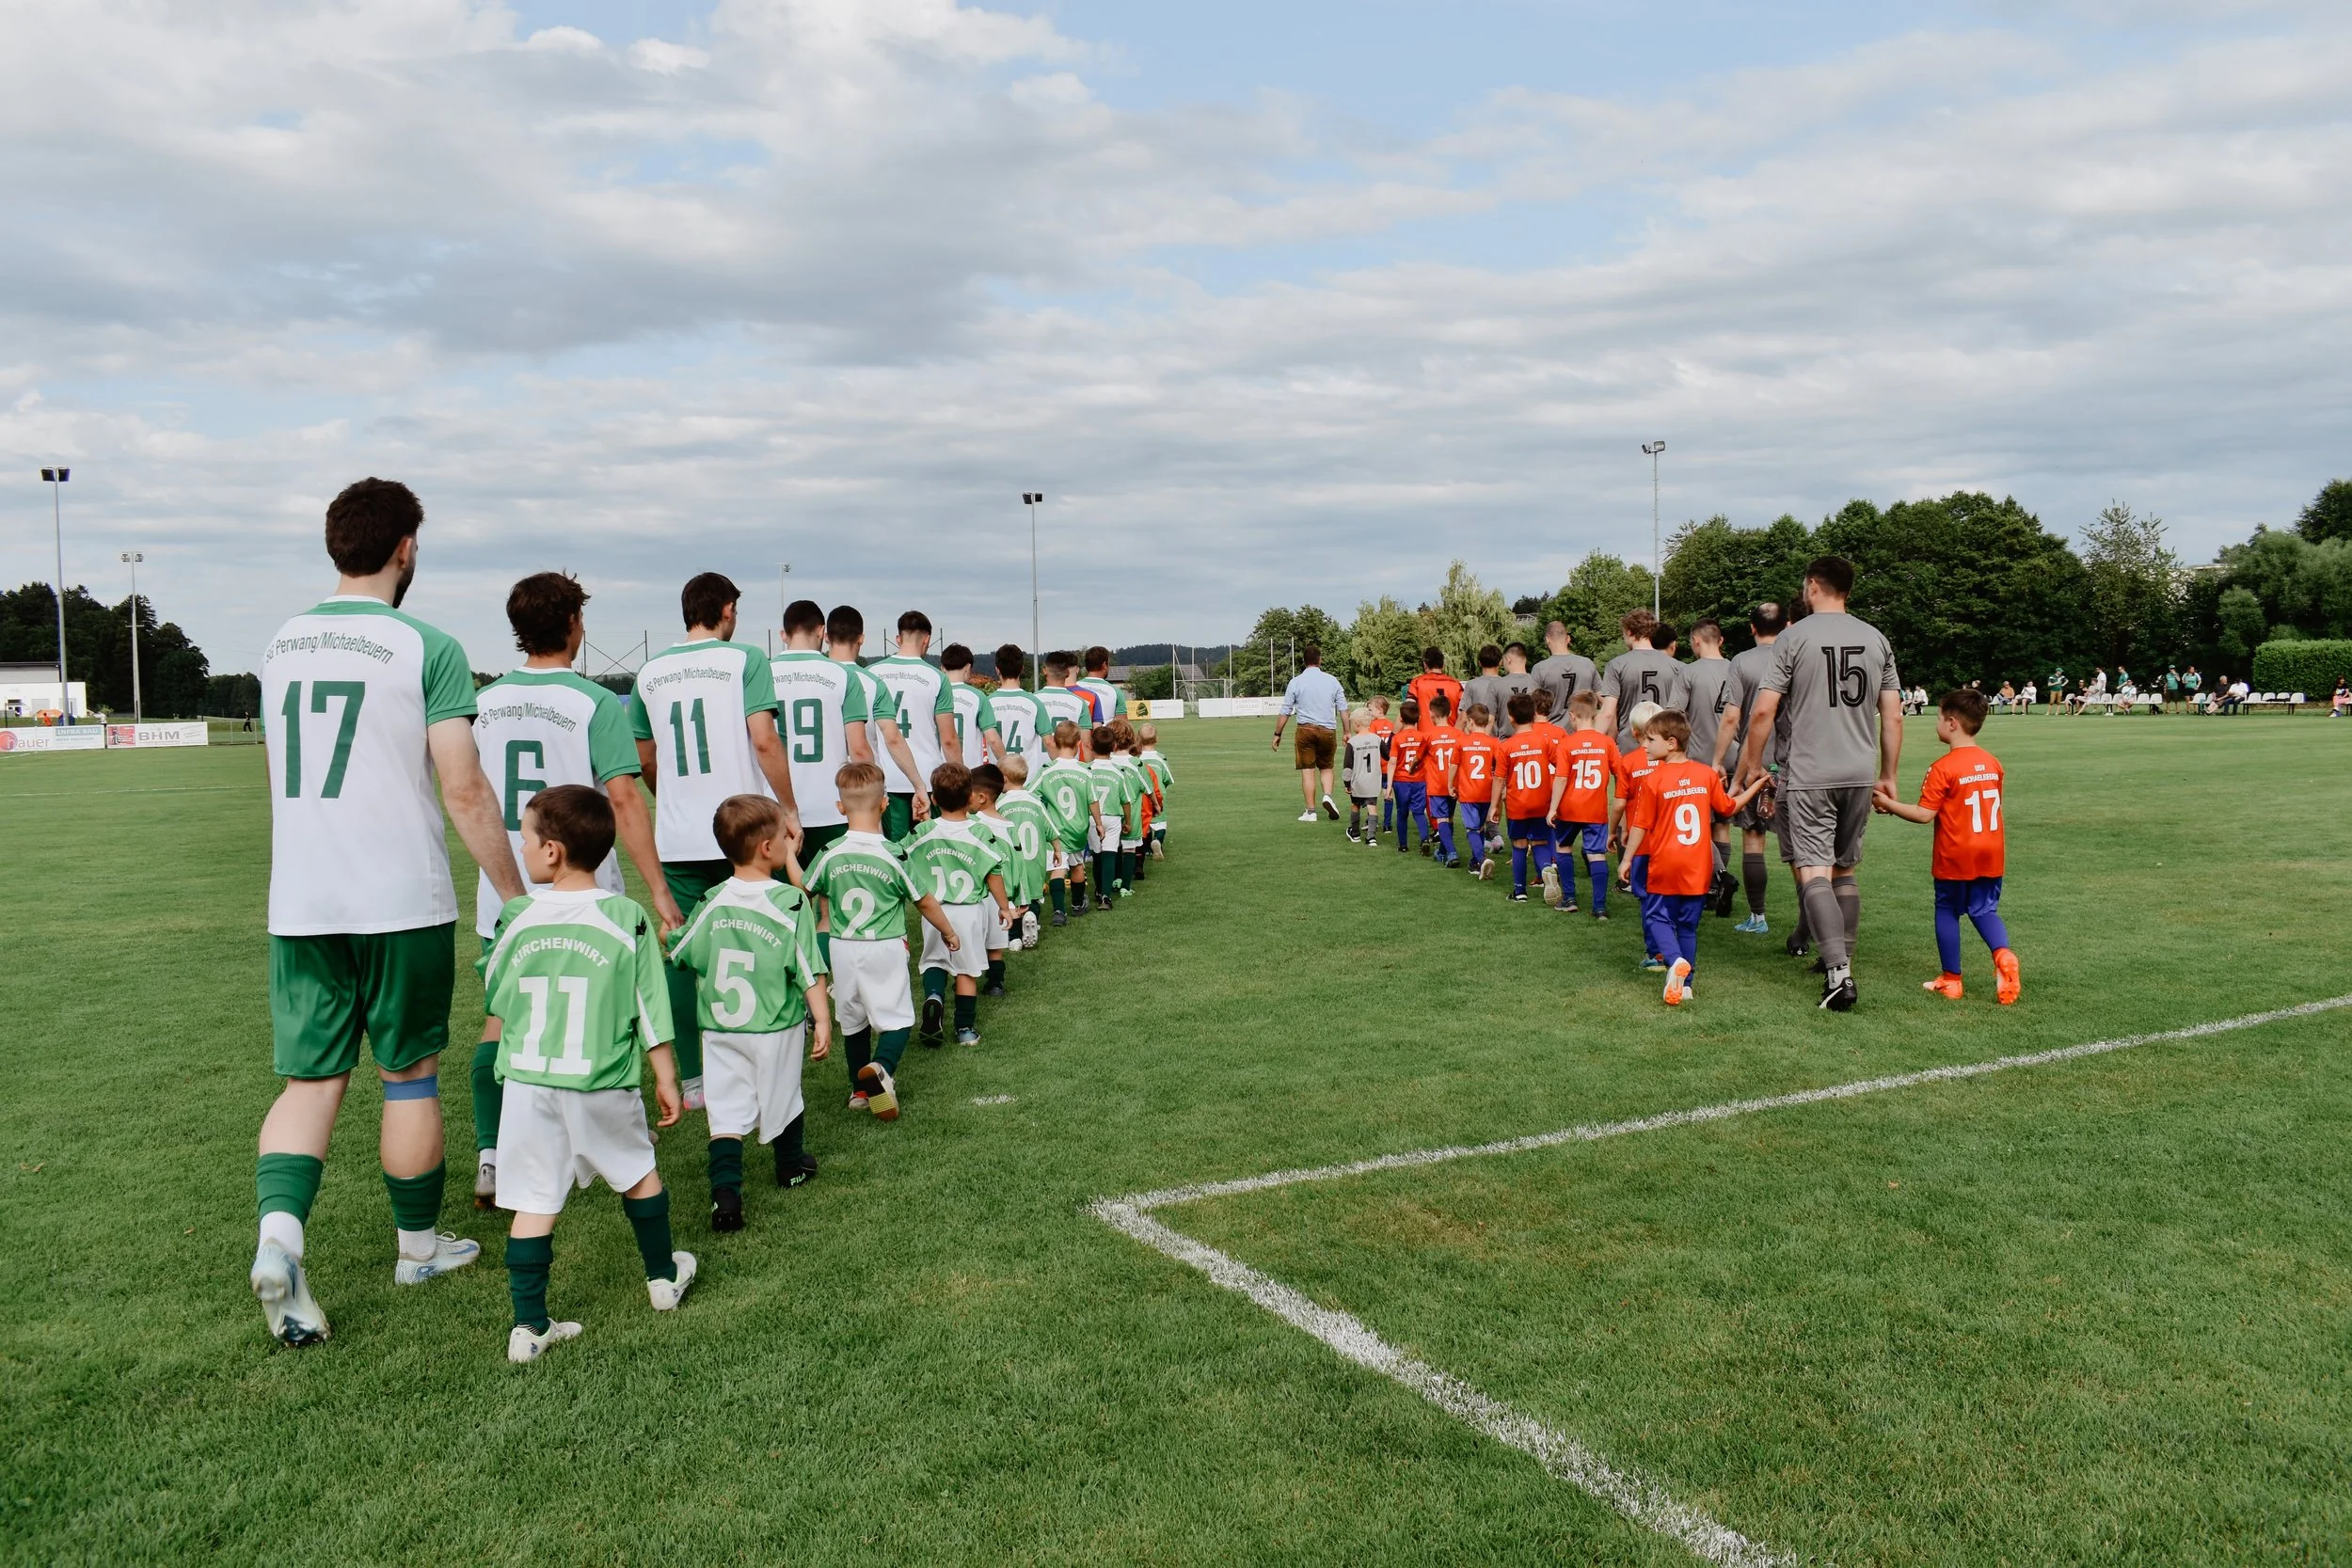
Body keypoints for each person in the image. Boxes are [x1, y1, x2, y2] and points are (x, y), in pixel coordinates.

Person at [250, 477, 525, 1348]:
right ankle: (416, 1247)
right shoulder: (427, 645)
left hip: (301, 898)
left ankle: (281, 1238)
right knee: (407, 1073)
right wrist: (515, 894)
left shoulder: (282, 641)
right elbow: (464, 784)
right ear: (406, 547)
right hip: (397, 897)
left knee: (310, 1080)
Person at [467, 572, 679, 1210]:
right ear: (573, 627)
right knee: (604, 1019)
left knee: (505, 1022)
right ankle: (616, 1151)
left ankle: (492, 1153)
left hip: (507, 888)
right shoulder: (589, 701)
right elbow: (623, 798)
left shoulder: (487, 699)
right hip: (586, 894)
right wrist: (660, 890)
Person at [478, 785, 691, 1363]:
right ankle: (662, 1279)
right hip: (599, 1077)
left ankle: (528, 1327)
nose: (519, 849)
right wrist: (667, 1077)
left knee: (534, 1197)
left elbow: (494, 984)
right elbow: (649, 1003)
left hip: (527, 1080)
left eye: (523, 838)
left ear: (552, 852)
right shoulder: (624, 918)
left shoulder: (517, 917)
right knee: (638, 1171)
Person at [1739, 556, 1902, 1011]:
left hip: (1810, 771)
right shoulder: (1876, 638)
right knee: (1845, 870)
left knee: (1814, 869)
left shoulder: (1793, 637)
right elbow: (1892, 715)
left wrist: (1753, 765)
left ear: (1813, 586)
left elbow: (1762, 712)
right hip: (1858, 770)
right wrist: (1887, 774)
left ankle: (1838, 974)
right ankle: (1839, 957)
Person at [664, 794, 830, 1231]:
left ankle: (726, 1198)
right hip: (774, 1025)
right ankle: (790, 1167)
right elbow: (808, 966)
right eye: (782, 836)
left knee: (725, 1112)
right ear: (767, 848)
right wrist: (823, 1018)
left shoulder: (713, 900)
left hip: (720, 1028)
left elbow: (681, 951)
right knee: (785, 1094)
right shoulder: (790, 903)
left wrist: (670, 933)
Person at [801, 762, 958, 1120]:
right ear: (885, 803)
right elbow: (924, 900)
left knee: (853, 1021)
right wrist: (948, 932)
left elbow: (803, 893)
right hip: (883, 946)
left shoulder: (829, 853)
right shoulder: (893, 853)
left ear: (840, 807)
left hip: (842, 947)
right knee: (899, 1019)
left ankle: (858, 1092)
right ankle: (882, 1068)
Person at [1872, 689, 2019, 1005]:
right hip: (1991, 851)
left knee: (1948, 909)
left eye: (1938, 718)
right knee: (1985, 909)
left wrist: (1888, 803)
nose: (1936, 723)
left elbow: (1925, 815)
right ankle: (2003, 955)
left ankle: (1951, 980)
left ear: (1952, 723)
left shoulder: (1944, 767)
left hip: (1956, 853)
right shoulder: (1992, 763)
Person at [1619, 712, 1765, 1005]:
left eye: (1650, 740)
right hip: (1699, 865)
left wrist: (1626, 859)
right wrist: (1755, 787)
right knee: (1687, 926)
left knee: (1657, 916)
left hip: (1666, 861)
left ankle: (1674, 961)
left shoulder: (1653, 779)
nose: (1645, 746)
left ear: (1671, 743)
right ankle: (1686, 985)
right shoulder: (1705, 775)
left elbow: (1640, 824)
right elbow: (1729, 808)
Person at [771, 599, 896, 871]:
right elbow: (860, 750)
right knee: (836, 893)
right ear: (821, 632)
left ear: (783, 634)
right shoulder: (842, 675)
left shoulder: (763, 674)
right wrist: (873, 799)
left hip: (774, 805)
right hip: (830, 804)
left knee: (783, 900)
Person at [907, 763, 1014, 1047]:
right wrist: (1004, 907)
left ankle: (934, 998)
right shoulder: (979, 833)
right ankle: (965, 1029)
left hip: (934, 911)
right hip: (969, 912)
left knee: (934, 962)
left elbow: (901, 855)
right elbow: (994, 872)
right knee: (966, 970)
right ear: (970, 798)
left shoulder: (924, 832)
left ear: (934, 799)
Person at [1708, 602, 1785, 936]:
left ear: (1752, 628)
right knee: (1809, 850)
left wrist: (1717, 761)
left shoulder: (1742, 662)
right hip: (1800, 760)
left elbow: (1731, 717)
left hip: (1756, 761)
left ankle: (1758, 916)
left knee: (1754, 838)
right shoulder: (1800, 655)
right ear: (1786, 626)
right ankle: (1811, 927)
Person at [869, 611, 960, 842]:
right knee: (931, 851)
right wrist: (959, 781)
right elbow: (948, 739)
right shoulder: (937, 678)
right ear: (927, 640)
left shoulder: (872, 674)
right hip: (928, 779)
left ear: (898, 639)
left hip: (887, 779)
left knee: (895, 854)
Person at [1679, 618, 1739, 913]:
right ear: (1722, 641)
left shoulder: (1688, 671)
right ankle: (1719, 885)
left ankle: (1717, 882)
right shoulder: (1736, 669)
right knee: (1723, 825)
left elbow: (1675, 716)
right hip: (1733, 754)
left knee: (1700, 826)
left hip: (1701, 758)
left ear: (1696, 641)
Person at [1552, 690, 1619, 918]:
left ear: (1572, 716)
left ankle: (1569, 898)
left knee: (1563, 847)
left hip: (1569, 807)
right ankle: (1599, 907)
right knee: (1596, 854)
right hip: (1595, 808)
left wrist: (1553, 808)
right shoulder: (1607, 742)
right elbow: (1620, 772)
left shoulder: (1567, 743)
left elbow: (1561, 778)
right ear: (1594, 715)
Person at [1270, 643, 1348, 821]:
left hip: (1305, 730)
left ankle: (1311, 812)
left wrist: (1277, 733)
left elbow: (1286, 710)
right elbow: (1343, 708)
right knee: (1327, 767)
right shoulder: (1332, 680)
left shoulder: (1296, 682)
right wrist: (1347, 731)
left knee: (1308, 770)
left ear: (1304, 662)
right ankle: (1327, 795)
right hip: (1328, 729)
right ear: (1320, 660)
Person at [1495, 692, 1560, 904]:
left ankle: (1520, 891)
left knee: (1519, 845)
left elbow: (1499, 779)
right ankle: (1546, 871)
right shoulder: (1544, 742)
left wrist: (1494, 806)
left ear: (1511, 717)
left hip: (1517, 805)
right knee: (1540, 842)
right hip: (1541, 802)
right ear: (1534, 715)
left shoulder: (1506, 746)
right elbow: (1561, 767)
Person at [1034, 721, 1101, 924]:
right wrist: (1098, 823)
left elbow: (1031, 794)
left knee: (1058, 868)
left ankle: (1059, 912)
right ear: (1079, 742)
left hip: (1055, 829)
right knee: (1077, 866)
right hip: (1079, 828)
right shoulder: (1085, 770)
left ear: (1054, 741)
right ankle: (1078, 904)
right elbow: (1093, 800)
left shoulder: (1046, 770)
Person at [984, 755, 1054, 947]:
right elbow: (1051, 830)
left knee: (1010, 896)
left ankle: (1014, 937)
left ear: (1003, 779)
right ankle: (1032, 915)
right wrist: (1056, 849)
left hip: (1010, 859)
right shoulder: (1036, 801)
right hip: (1035, 859)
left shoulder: (1000, 804)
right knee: (1034, 894)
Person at [1597, 610, 1692, 749]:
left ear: (1629, 632)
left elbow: (1608, 713)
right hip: (1665, 746)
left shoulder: (1617, 665)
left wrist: (1596, 742)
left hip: (1630, 744)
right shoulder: (1678, 667)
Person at [968, 762, 1030, 972]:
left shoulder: (971, 822)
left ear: (981, 797)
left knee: (972, 941)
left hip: (975, 893)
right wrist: (1022, 897)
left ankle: (968, 979)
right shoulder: (1009, 826)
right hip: (1001, 897)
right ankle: (996, 983)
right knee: (995, 946)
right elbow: (1019, 863)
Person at [1087, 722, 1144, 905]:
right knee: (1110, 854)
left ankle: (1098, 890)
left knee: (1097, 855)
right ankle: (1106, 897)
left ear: (1091, 746)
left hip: (1092, 818)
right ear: (1113, 747)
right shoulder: (1118, 772)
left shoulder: (1086, 770)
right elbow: (1126, 801)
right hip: (1112, 817)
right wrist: (1128, 821)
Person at [1453, 705, 1503, 878]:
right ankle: (1475, 863)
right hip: (1487, 792)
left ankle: (1482, 859)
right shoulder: (1494, 742)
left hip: (1468, 792)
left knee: (1472, 829)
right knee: (1480, 827)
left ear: (1470, 721)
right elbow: (1500, 768)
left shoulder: (1461, 741)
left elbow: (1454, 765)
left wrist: (1449, 784)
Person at [989, 646, 1053, 778]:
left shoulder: (987, 702)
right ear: (1022, 669)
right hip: (1027, 780)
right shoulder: (1034, 702)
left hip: (997, 779)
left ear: (997, 669)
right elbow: (1049, 742)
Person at [941, 644, 1006, 769]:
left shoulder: (935, 695)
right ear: (968, 667)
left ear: (942, 668)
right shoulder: (978, 697)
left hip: (938, 771)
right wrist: (1007, 767)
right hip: (971, 770)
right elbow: (992, 739)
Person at [1530, 621, 1598, 726]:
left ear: (1547, 640)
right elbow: (1605, 700)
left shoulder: (1540, 668)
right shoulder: (1587, 664)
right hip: (1582, 732)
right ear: (1568, 639)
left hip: (1553, 733)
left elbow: (1531, 707)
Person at [1422, 694, 1464, 864]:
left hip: (1437, 784)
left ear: (1431, 715)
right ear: (1451, 712)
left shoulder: (1428, 736)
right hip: (1454, 784)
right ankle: (1441, 852)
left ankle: (1452, 853)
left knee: (1441, 820)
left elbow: (1418, 757)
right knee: (1449, 818)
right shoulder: (1459, 734)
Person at [1389, 700, 1430, 855]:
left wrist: (1388, 786)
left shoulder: (1397, 738)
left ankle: (1403, 845)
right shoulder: (1423, 737)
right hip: (1419, 780)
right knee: (1419, 812)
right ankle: (1424, 839)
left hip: (1401, 781)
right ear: (1419, 719)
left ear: (1400, 719)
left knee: (1402, 813)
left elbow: (1392, 761)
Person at [1342, 709, 1389, 846]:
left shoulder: (1353, 742)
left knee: (1355, 805)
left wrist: (1346, 783)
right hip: (1373, 780)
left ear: (1356, 723)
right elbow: (1388, 756)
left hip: (1358, 781)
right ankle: (1371, 837)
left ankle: (1355, 833)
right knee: (1372, 806)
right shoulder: (1377, 739)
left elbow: (1347, 766)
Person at [1404, 648, 1463, 739]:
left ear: (1425, 664)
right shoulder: (1456, 684)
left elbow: (1408, 710)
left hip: (1426, 738)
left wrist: (1393, 734)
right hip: (1451, 740)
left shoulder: (1418, 682)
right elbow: (1463, 714)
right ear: (1443, 665)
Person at [1460, 646, 1514, 740]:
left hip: (1479, 742)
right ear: (1500, 662)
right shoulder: (1509, 684)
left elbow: (1463, 716)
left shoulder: (1472, 685)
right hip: (1503, 741)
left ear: (1479, 663)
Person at [1137, 723, 1173, 858]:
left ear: (1138, 739)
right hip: (1159, 796)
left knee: (1145, 822)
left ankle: (1146, 848)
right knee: (1160, 823)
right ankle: (1158, 840)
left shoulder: (1137, 758)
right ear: (1157, 739)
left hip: (1143, 797)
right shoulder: (1160, 758)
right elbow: (1167, 779)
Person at [1076, 647, 1128, 727]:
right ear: (1104, 665)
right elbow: (1123, 728)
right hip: (1105, 738)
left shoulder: (1074, 687)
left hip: (1080, 738)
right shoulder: (1115, 692)